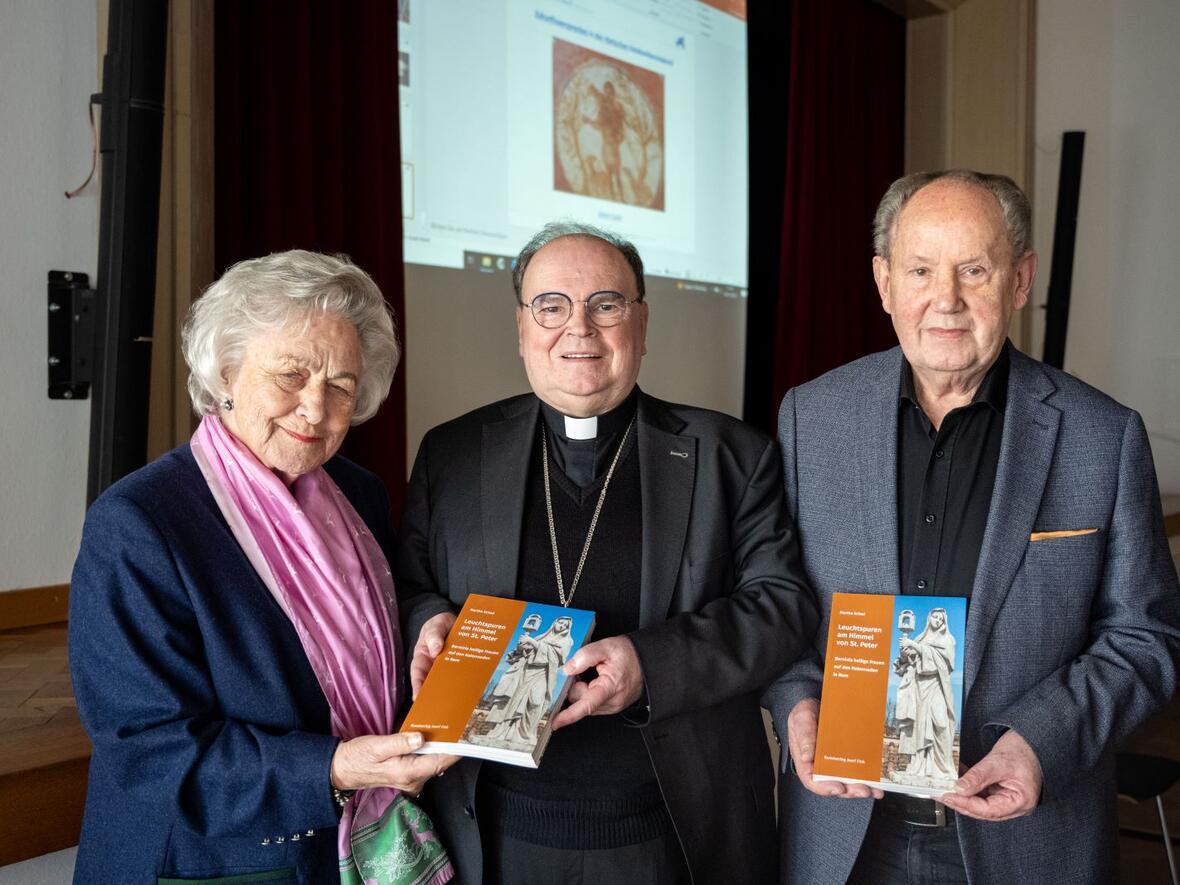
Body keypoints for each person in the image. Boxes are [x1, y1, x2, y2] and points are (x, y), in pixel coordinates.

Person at [764, 170, 1180, 884]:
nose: (945, 299)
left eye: (974, 270)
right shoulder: (812, 418)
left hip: (1026, 837)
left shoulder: (1101, 436)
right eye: (920, 270)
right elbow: (776, 600)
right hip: (847, 837)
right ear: (884, 282)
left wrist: (1041, 742)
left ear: (1020, 279)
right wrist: (799, 702)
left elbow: (1148, 636)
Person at [396, 222, 818, 884]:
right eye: (552, 306)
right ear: (521, 327)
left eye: (607, 304)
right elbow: (408, 583)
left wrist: (651, 663)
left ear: (642, 324)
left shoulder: (732, 455)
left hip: (668, 836)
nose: (579, 328)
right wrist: (428, 622)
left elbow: (782, 605)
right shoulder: (451, 453)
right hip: (494, 834)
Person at [69, 250, 458, 884]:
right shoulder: (139, 523)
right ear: (225, 371)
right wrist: (333, 769)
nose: (315, 409)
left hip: (347, 846)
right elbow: (150, 751)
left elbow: (372, 619)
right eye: (290, 374)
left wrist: (429, 623)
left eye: (341, 387)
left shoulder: (356, 491)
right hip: (212, 860)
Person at [482, 616, 575, 748]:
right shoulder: (541, 637)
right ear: (555, 622)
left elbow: (556, 658)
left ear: (567, 629)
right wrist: (522, 647)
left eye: (565, 625)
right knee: (514, 700)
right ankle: (503, 732)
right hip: (525, 673)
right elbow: (524, 654)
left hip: (543, 674)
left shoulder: (566, 641)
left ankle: (525, 735)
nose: (561, 626)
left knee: (535, 702)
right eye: (560, 623)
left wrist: (533, 643)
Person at [894, 608, 956, 781]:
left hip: (937, 685)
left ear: (944, 622)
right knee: (919, 727)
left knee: (941, 723)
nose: (937, 621)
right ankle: (918, 766)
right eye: (934, 617)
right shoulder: (919, 638)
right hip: (919, 687)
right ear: (929, 618)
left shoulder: (948, 640)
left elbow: (945, 663)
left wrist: (916, 646)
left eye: (940, 619)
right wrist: (905, 653)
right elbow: (908, 662)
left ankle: (943, 767)